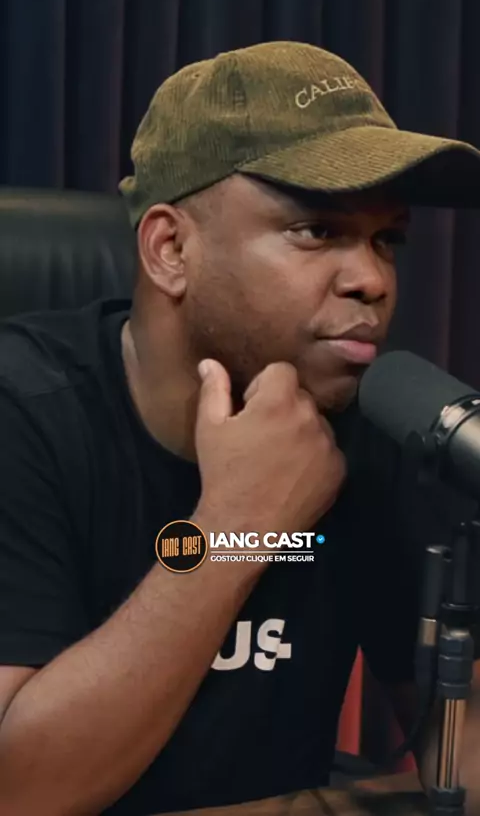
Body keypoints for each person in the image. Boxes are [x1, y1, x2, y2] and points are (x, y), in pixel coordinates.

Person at [0, 40, 480, 816]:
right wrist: (236, 530)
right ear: (170, 249)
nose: (372, 279)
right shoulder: (23, 412)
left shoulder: (374, 424)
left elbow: (466, 758)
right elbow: (18, 791)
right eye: (317, 230)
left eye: (386, 239)